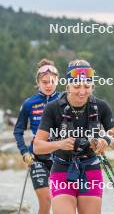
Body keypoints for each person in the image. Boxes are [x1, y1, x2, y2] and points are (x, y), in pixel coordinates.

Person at [34, 59, 114, 214]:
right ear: (68, 85)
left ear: (92, 86)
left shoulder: (101, 106)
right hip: (62, 169)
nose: (82, 91)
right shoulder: (53, 108)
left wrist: (107, 140)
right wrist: (59, 144)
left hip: (91, 169)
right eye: (76, 86)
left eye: (87, 86)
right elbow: (37, 146)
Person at [14, 58, 60, 214]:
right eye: (44, 82)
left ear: (57, 81)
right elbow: (18, 130)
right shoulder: (29, 103)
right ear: (38, 82)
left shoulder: (65, 99)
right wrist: (24, 152)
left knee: (60, 201)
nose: (48, 85)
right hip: (37, 157)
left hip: (61, 157)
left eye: (52, 81)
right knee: (46, 201)